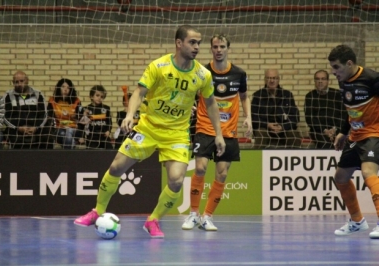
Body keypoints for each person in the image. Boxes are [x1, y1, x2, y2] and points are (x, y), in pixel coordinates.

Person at [74, 24, 226, 238]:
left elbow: (210, 103)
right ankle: (97, 211)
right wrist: (129, 115)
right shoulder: (159, 66)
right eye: (192, 42)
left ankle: (153, 220)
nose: (197, 47)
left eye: (199, 43)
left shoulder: (202, 74)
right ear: (179, 43)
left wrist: (218, 134)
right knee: (117, 167)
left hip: (176, 133)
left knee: (175, 180)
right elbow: (139, 92)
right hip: (148, 127)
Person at [181, 34, 252, 231]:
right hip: (205, 127)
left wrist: (248, 116)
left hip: (229, 131)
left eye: (222, 46)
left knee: (221, 174)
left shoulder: (239, 74)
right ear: (211, 49)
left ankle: (207, 217)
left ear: (228, 48)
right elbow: (191, 94)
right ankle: (193, 214)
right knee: (201, 168)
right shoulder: (202, 72)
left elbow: (244, 97)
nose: (218, 50)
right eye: (215, 47)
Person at [328, 44, 379, 239]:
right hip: (354, 137)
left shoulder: (372, 79)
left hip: (373, 134)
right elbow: (350, 108)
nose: (333, 72)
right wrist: (342, 132)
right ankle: (357, 221)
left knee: (368, 172)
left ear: (349, 64)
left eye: (336, 67)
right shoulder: (343, 80)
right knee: (340, 177)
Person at [251, 69, 301, 149]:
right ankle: (256, 160)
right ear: (265, 80)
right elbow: (254, 118)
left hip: (284, 129)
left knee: (294, 135)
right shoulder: (258, 96)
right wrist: (267, 125)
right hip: (265, 128)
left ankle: (293, 159)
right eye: (269, 78)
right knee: (261, 134)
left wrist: (283, 127)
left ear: (278, 79)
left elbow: (295, 117)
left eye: (274, 78)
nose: (271, 81)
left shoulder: (287, 95)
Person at [4, 71, 50, 149]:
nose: (19, 84)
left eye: (22, 81)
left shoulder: (38, 94)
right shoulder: (8, 96)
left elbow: (44, 114)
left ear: (27, 80)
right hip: (16, 129)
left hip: (36, 128)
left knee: (47, 136)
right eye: (16, 82)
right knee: (12, 135)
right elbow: (5, 116)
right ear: (13, 83)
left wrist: (36, 127)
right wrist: (18, 128)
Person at [304, 70, 347, 149]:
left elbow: (343, 115)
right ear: (314, 81)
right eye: (317, 79)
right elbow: (309, 118)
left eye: (323, 79)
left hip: (337, 129)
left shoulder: (337, 94)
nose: (320, 81)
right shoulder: (310, 96)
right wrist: (324, 130)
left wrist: (334, 129)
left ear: (327, 81)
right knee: (325, 143)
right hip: (318, 131)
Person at [48, 78, 82, 149]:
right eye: (63, 87)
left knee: (68, 131)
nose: (65, 89)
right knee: (66, 135)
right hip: (58, 129)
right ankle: (72, 144)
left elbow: (80, 118)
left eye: (68, 88)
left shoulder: (76, 101)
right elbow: (49, 117)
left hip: (74, 130)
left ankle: (67, 157)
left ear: (71, 90)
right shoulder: (52, 101)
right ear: (59, 88)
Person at [77, 85, 113, 149]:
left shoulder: (106, 108)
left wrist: (108, 130)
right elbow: (81, 125)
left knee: (110, 150)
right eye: (97, 95)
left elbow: (109, 122)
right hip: (92, 137)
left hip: (103, 136)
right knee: (91, 153)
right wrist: (81, 136)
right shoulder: (86, 109)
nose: (99, 98)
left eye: (102, 97)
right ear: (91, 96)